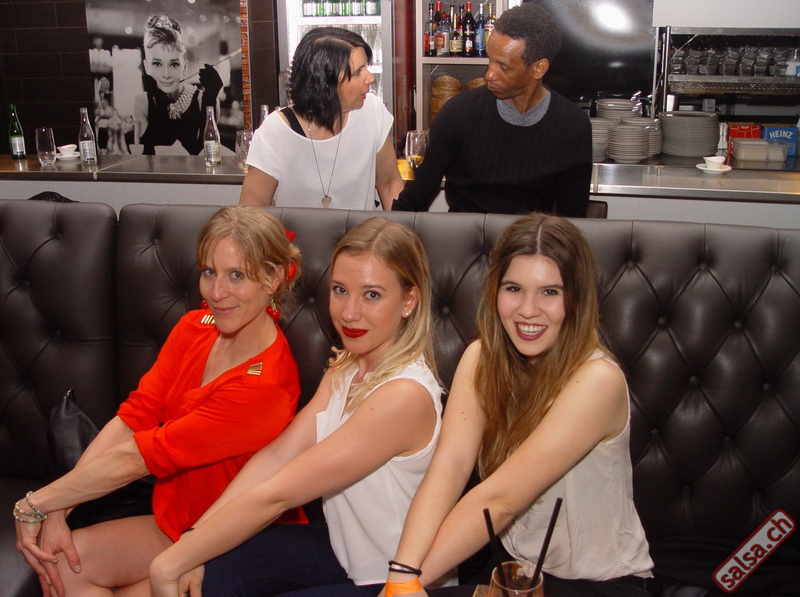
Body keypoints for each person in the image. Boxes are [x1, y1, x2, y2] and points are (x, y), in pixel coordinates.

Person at [14, 206, 304, 596]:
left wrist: (38, 503)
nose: (217, 293)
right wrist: (58, 509)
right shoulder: (193, 328)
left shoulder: (265, 385)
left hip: (232, 540)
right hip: (173, 523)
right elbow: (133, 419)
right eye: (209, 272)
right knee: (62, 570)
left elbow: (141, 457)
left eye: (236, 275)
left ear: (273, 278)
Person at [149, 217, 445, 597]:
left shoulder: (403, 395)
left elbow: (280, 494)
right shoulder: (348, 365)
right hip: (341, 554)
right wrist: (195, 538)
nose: (349, 313)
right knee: (213, 572)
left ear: (409, 301)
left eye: (372, 295)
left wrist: (171, 561)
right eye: (340, 290)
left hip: (393, 579)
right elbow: (277, 457)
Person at [383, 214, 654, 597]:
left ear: (577, 299)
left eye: (550, 292)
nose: (528, 309)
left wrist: (405, 585)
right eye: (514, 288)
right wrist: (402, 574)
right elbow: (450, 466)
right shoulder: (482, 359)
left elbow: (502, 500)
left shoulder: (598, 380)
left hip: (599, 585)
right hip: (514, 571)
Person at [392, 4, 591, 216]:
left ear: (538, 68)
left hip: (529, 236)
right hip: (464, 234)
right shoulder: (459, 114)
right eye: (490, 60)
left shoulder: (571, 127)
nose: (489, 75)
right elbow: (413, 200)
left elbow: (572, 219)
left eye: (503, 66)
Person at [239, 28, 404, 210]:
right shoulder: (276, 130)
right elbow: (252, 209)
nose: (370, 78)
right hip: (295, 230)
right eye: (358, 72)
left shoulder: (372, 112)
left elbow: (390, 183)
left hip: (361, 230)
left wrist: (399, 226)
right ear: (324, 84)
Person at [133, 13, 223, 155]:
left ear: (185, 67)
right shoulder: (142, 103)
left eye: (174, 64)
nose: (166, 74)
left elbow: (209, 154)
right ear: (146, 67)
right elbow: (149, 152)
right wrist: (160, 104)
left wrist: (209, 101)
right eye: (157, 64)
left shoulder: (203, 100)